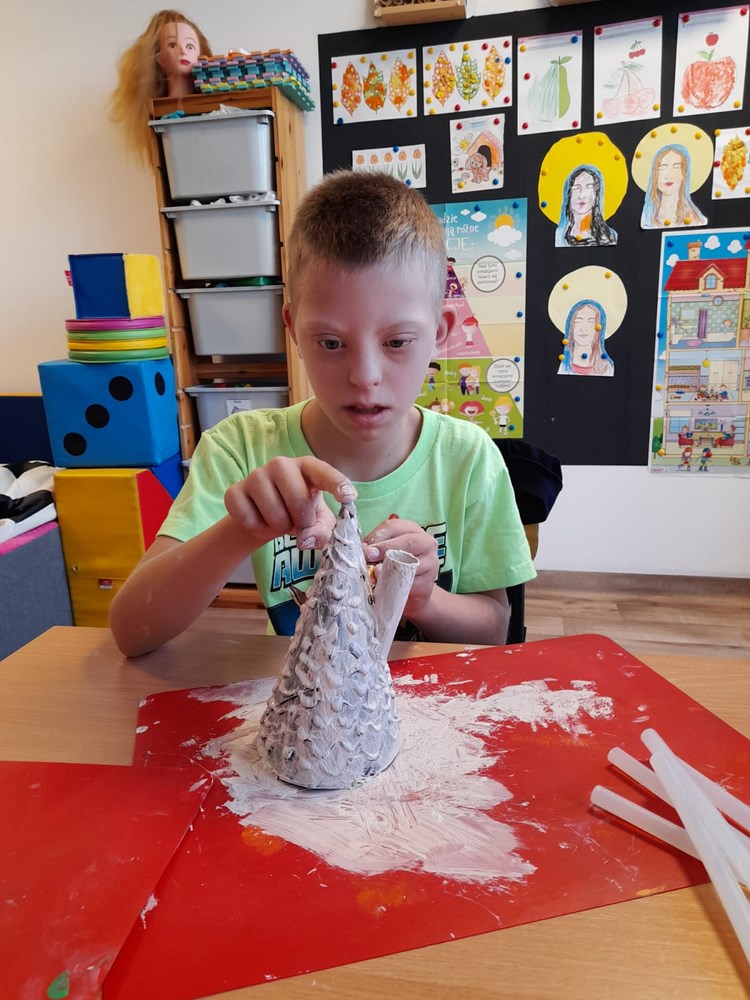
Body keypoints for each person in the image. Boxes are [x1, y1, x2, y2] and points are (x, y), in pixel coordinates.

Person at [109, 170, 536, 656]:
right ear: (293, 328)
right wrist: (242, 529)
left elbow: (494, 632)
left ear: (440, 332)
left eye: (397, 341)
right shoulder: (241, 449)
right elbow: (132, 631)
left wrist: (423, 599)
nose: (365, 376)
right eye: (331, 343)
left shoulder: (469, 456)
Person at [108, 10, 212, 165]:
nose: (183, 51)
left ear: (200, 53)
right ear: (159, 58)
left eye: (190, 46)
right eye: (172, 45)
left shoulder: (212, 102)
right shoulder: (158, 112)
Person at [640, 144, 707, 229]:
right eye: (662, 168)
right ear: (654, 175)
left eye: (676, 167)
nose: (669, 176)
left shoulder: (694, 219)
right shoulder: (647, 219)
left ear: (684, 174)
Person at [555, 165, 617, 247]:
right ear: (569, 194)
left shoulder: (609, 236)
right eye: (576, 188)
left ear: (596, 195)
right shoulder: (558, 236)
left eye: (589, 187)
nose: (581, 195)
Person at [557, 300, 614, 376]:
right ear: (570, 326)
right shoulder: (562, 367)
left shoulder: (608, 369)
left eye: (591, 321)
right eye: (578, 321)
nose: (583, 328)